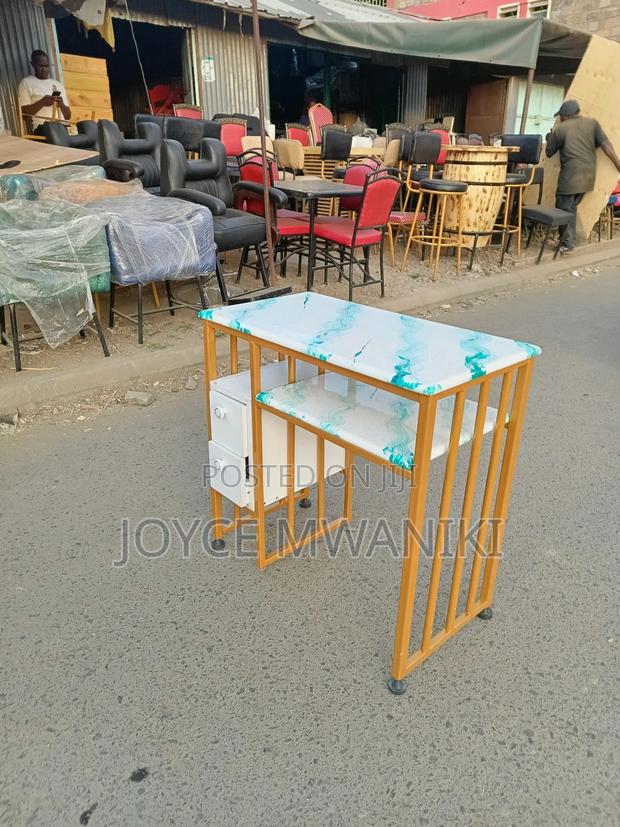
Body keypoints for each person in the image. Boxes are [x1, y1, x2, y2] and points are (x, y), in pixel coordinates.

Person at [545, 99, 620, 252]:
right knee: (571, 208)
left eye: (560, 116)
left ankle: (566, 244)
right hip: (588, 177)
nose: (559, 119)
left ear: (565, 116)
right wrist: (618, 164)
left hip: (571, 177)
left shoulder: (561, 129)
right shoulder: (592, 124)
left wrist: (549, 137)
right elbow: (606, 145)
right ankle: (570, 241)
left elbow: (548, 152)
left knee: (562, 210)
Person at [18, 50, 71, 133]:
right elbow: (24, 112)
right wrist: (42, 102)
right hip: (42, 128)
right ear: (33, 64)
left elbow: (68, 116)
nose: (44, 70)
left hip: (62, 128)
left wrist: (61, 105)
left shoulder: (58, 84)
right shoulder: (26, 82)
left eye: (46, 66)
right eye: (41, 66)